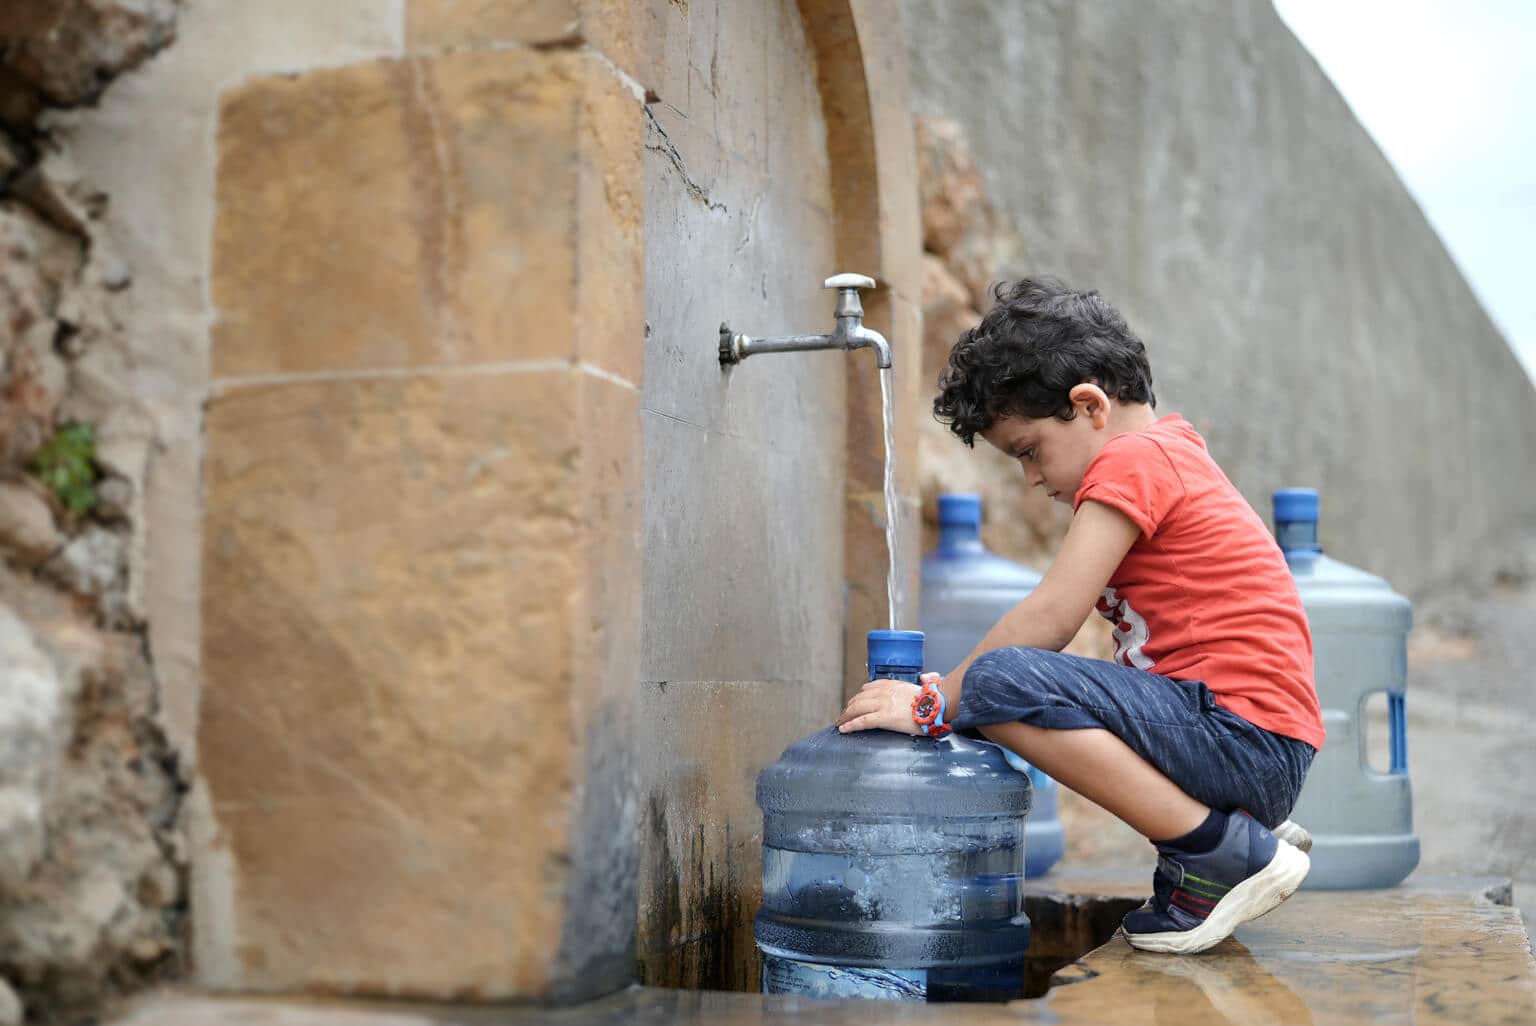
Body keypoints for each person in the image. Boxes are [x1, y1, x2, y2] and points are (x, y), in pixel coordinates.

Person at [837, 276, 1324, 955]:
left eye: (1029, 451)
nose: (1032, 479)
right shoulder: (1168, 453)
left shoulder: (1133, 460)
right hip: (1254, 740)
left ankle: (1219, 852)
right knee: (1008, 685)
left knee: (1000, 684)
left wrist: (933, 704)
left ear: (1089, 404)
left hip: (1239, 737)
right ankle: (1210, 851)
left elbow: (1053, 616)